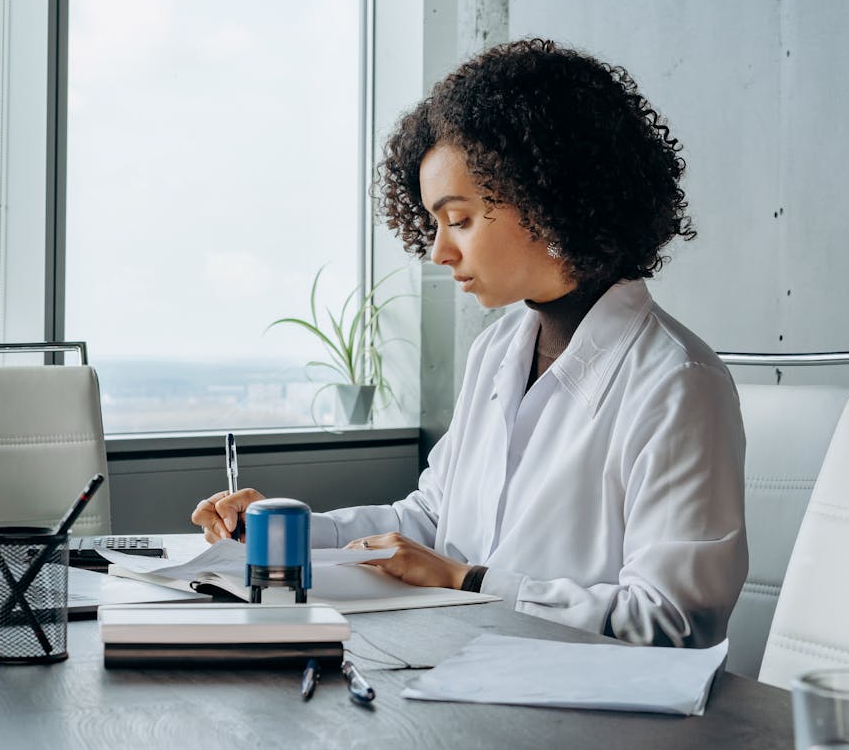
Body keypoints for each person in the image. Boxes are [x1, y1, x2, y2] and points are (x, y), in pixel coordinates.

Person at [192, 38, 747, 648]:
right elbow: (430, 522)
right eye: (433, 223)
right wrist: (284, 532)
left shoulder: (677, 383)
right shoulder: (498, 351)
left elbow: (673, 623)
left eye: (458, 220)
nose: (439, 251)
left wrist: (469, 580)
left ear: (549, 198)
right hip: (465, 674)